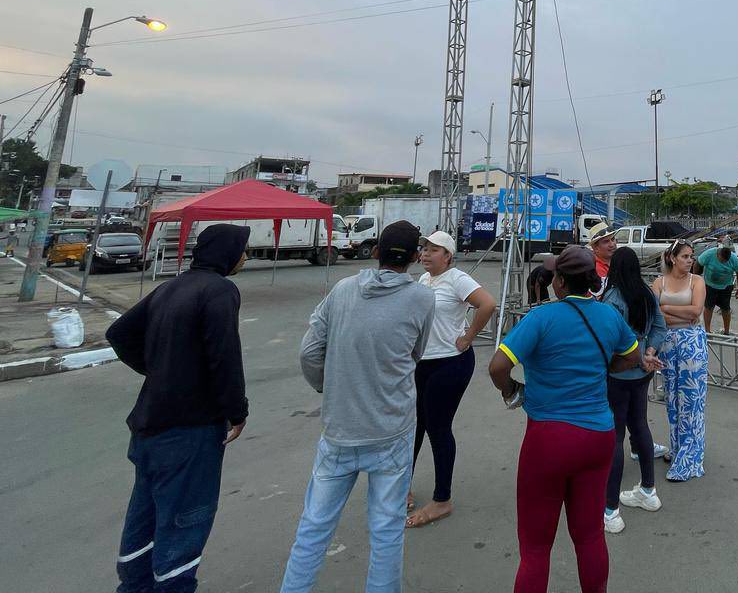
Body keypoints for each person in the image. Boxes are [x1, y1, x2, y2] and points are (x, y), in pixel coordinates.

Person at [279, 220, 435, 593]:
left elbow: (309, 352)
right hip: (392, 430)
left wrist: (329, 387)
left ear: (376, 251)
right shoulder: (422, 298)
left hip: (339, 429)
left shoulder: (343, 290)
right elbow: (416, 353)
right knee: (386, 529)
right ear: (415, 258)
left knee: (314, 526)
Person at [105, 223, 251, 593]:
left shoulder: (171, 286)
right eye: (242, 250)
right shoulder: (220, 290)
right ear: (227, 254)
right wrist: (237, 411)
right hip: (189, 432)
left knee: (145, 516)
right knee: (184, 524)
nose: (246, 257)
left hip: (148, 428)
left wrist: (160, 370)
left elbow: (119, 333)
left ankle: (133, 586)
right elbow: (224, 356)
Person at [489, 246, 639, 593]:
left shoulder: (541, 318)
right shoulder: (609, 316)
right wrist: (603, 368)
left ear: (559, 282)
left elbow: (497, 366)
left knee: (536, 548)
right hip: (598, 436)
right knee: (590, 536)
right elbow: (631, 357)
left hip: (548, 439)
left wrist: (513, 390)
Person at [406, 230, 497, 528]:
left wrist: (468, 337)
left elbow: (488, 304)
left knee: (438, 428)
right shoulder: (424, 280)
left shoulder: (458, 279)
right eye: (424, 249)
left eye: (434, 249)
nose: (426, 254)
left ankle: (442, 499)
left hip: (450, 363)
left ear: (448, 256)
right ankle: (403, 487)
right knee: (415, 426)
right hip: (423, 363)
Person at [599, 246, 668, 534]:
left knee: (615, 437)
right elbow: (660, 327)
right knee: (640, 425)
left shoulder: (612, 299)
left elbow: (610, 339)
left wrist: (638, 356)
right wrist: (649, 352)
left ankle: (610, 510)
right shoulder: (647, 292)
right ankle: (648, 491)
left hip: (619, 373)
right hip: (643, 372)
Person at [652, 240, 707, 481]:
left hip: (692, 345)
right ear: (672, 258)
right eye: (685, 256)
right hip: (668, 344)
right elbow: (656, 315)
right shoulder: (659, 282)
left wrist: (666, 307)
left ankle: (689, 455)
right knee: (673, 398)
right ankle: (677, 448)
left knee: (692, 398)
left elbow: (696, 312)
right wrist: (675, 314)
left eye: (691, 256)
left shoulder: (697, 281)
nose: (690, 260)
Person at [695, 237, 738, 334]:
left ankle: (726, 331)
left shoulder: (734, 259)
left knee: (726, 309)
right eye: (722, 261)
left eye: (726, 261)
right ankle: (707, 331)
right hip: (710, 285)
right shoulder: (709, 254)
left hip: (726, 286)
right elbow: (697, 263)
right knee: (709, 307)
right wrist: (695, 280)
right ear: (719, 254)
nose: (724, 263)